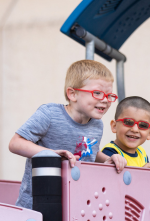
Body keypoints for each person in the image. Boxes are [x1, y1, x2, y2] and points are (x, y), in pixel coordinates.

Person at [9, 60, 127, 209]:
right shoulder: (50, 114)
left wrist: (109, 159)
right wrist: (51, 155)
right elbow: (15, 143)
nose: (105, 100)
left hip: (76, 206)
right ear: (72, 94)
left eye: (109, 95)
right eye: (97, 93)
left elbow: (89, 151)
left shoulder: (97, 125)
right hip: (38, 204)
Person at [102, 96, 150, 173]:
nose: (135, 129)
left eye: (143, 125)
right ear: (114, 126)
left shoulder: (141, 153)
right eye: (128, 122)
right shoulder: (110, 153)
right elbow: (114, 182)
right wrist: (143, 171)